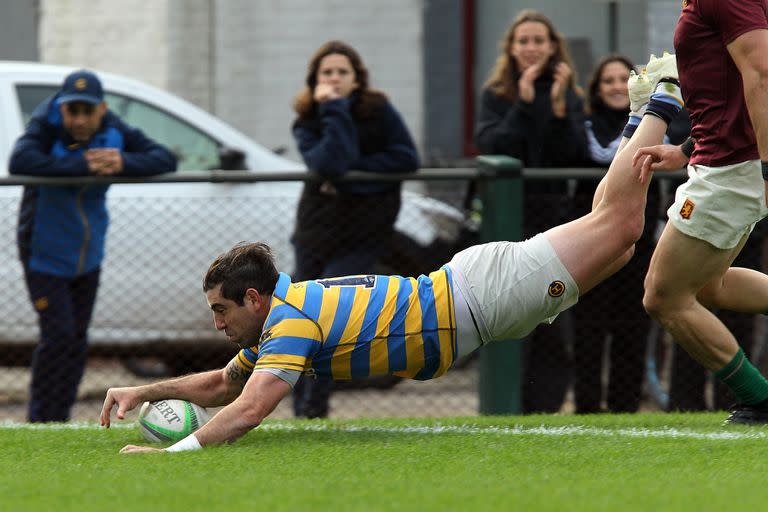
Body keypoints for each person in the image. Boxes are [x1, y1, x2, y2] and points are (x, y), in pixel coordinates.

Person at [101, 54, 687, 453]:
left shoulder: (288, 325)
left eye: (222, 311)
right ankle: (643, 113)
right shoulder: (276, 321)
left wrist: (173, 455)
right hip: (479, 300)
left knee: (617, 227)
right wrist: (145, 391)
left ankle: (663, 101)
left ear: (253, 298)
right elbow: (224, 387)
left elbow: (251, 409)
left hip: (482, 296)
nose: (216, 321)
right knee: (619, 234)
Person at [9, 69, 177, 422]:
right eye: (74, 111)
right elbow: (20, 160)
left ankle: (61, 418)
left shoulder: (114, 128)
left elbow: (164, 157)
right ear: (62, 108)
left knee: (77, 340)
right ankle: (40, 419)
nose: (81, 120)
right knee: (58, 337)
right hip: (43, 252)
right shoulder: (45, 125)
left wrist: (123, 162)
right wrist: (81, 164)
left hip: (88, 255)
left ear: (102, 109)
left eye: (88, 111)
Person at [632, 0, 768, 424]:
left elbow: (761, 76)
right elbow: (730, 90)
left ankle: (760, 400)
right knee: (711, 288)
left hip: (731, 171)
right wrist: (685, 149)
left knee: (663, 295)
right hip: (725, 164)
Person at [289, 40, 419, 418]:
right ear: (314, 80)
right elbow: (331, 160)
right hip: (315, 235)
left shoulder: (379, 112)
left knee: (328, 317)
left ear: (357, 78)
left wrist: (350, 179)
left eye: (342, 73)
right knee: (297, 319)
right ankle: (302, 410)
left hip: (362, 237)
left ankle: (315, 407)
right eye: (327, 73)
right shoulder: (308, 119)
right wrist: (332, 111)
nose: (334, 79)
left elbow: (405, 158)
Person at [474, 9, 587, 413]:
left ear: (553, 46)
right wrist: (522, 101)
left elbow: (574, 153)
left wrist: (557, 109)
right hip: (510, 220)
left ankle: (547, 405)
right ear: (511, 47)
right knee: (512, 312)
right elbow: (496, 145)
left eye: (539, 40)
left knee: (552, 315)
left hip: (554, 219)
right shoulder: (496, 95)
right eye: (523, 40)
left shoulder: (568, 94)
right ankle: (509, 401)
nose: (532, 48)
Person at [570, 55, 655, 413]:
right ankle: (587, 407)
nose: (618, 86)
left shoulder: (656, 126)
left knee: (631, 328)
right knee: (588, 329)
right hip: (587, 245)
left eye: (625, 78)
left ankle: (625, 407)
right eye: (609, 80)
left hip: (637, 243)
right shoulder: (581, 126)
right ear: (596, 88)